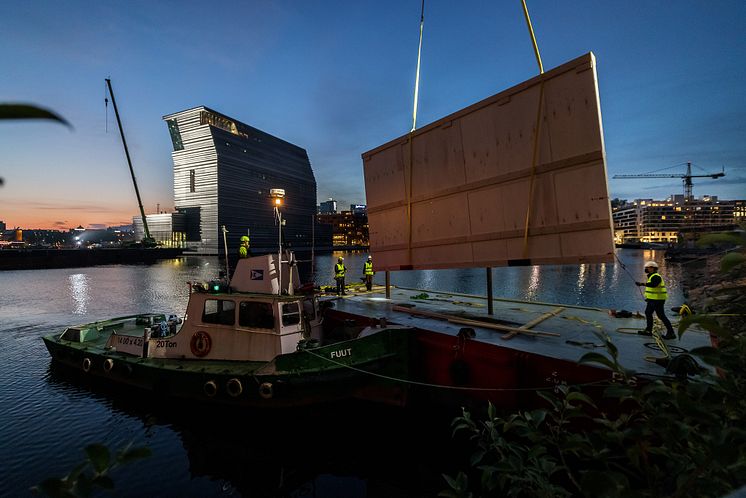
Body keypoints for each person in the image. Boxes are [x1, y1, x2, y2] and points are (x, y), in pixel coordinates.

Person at [636, 260, 676, 340]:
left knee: (661, 315)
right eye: (646, 268)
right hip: (653, 299)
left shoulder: (656, 276)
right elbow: (652, 289)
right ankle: (648, 330)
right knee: (648, 313)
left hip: (658, 300)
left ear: (652, 268)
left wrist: (642, 284)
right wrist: (648, 298)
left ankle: (671, 333)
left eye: (647, 268)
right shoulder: (651, 276)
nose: (646, 269)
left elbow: (654, 285)